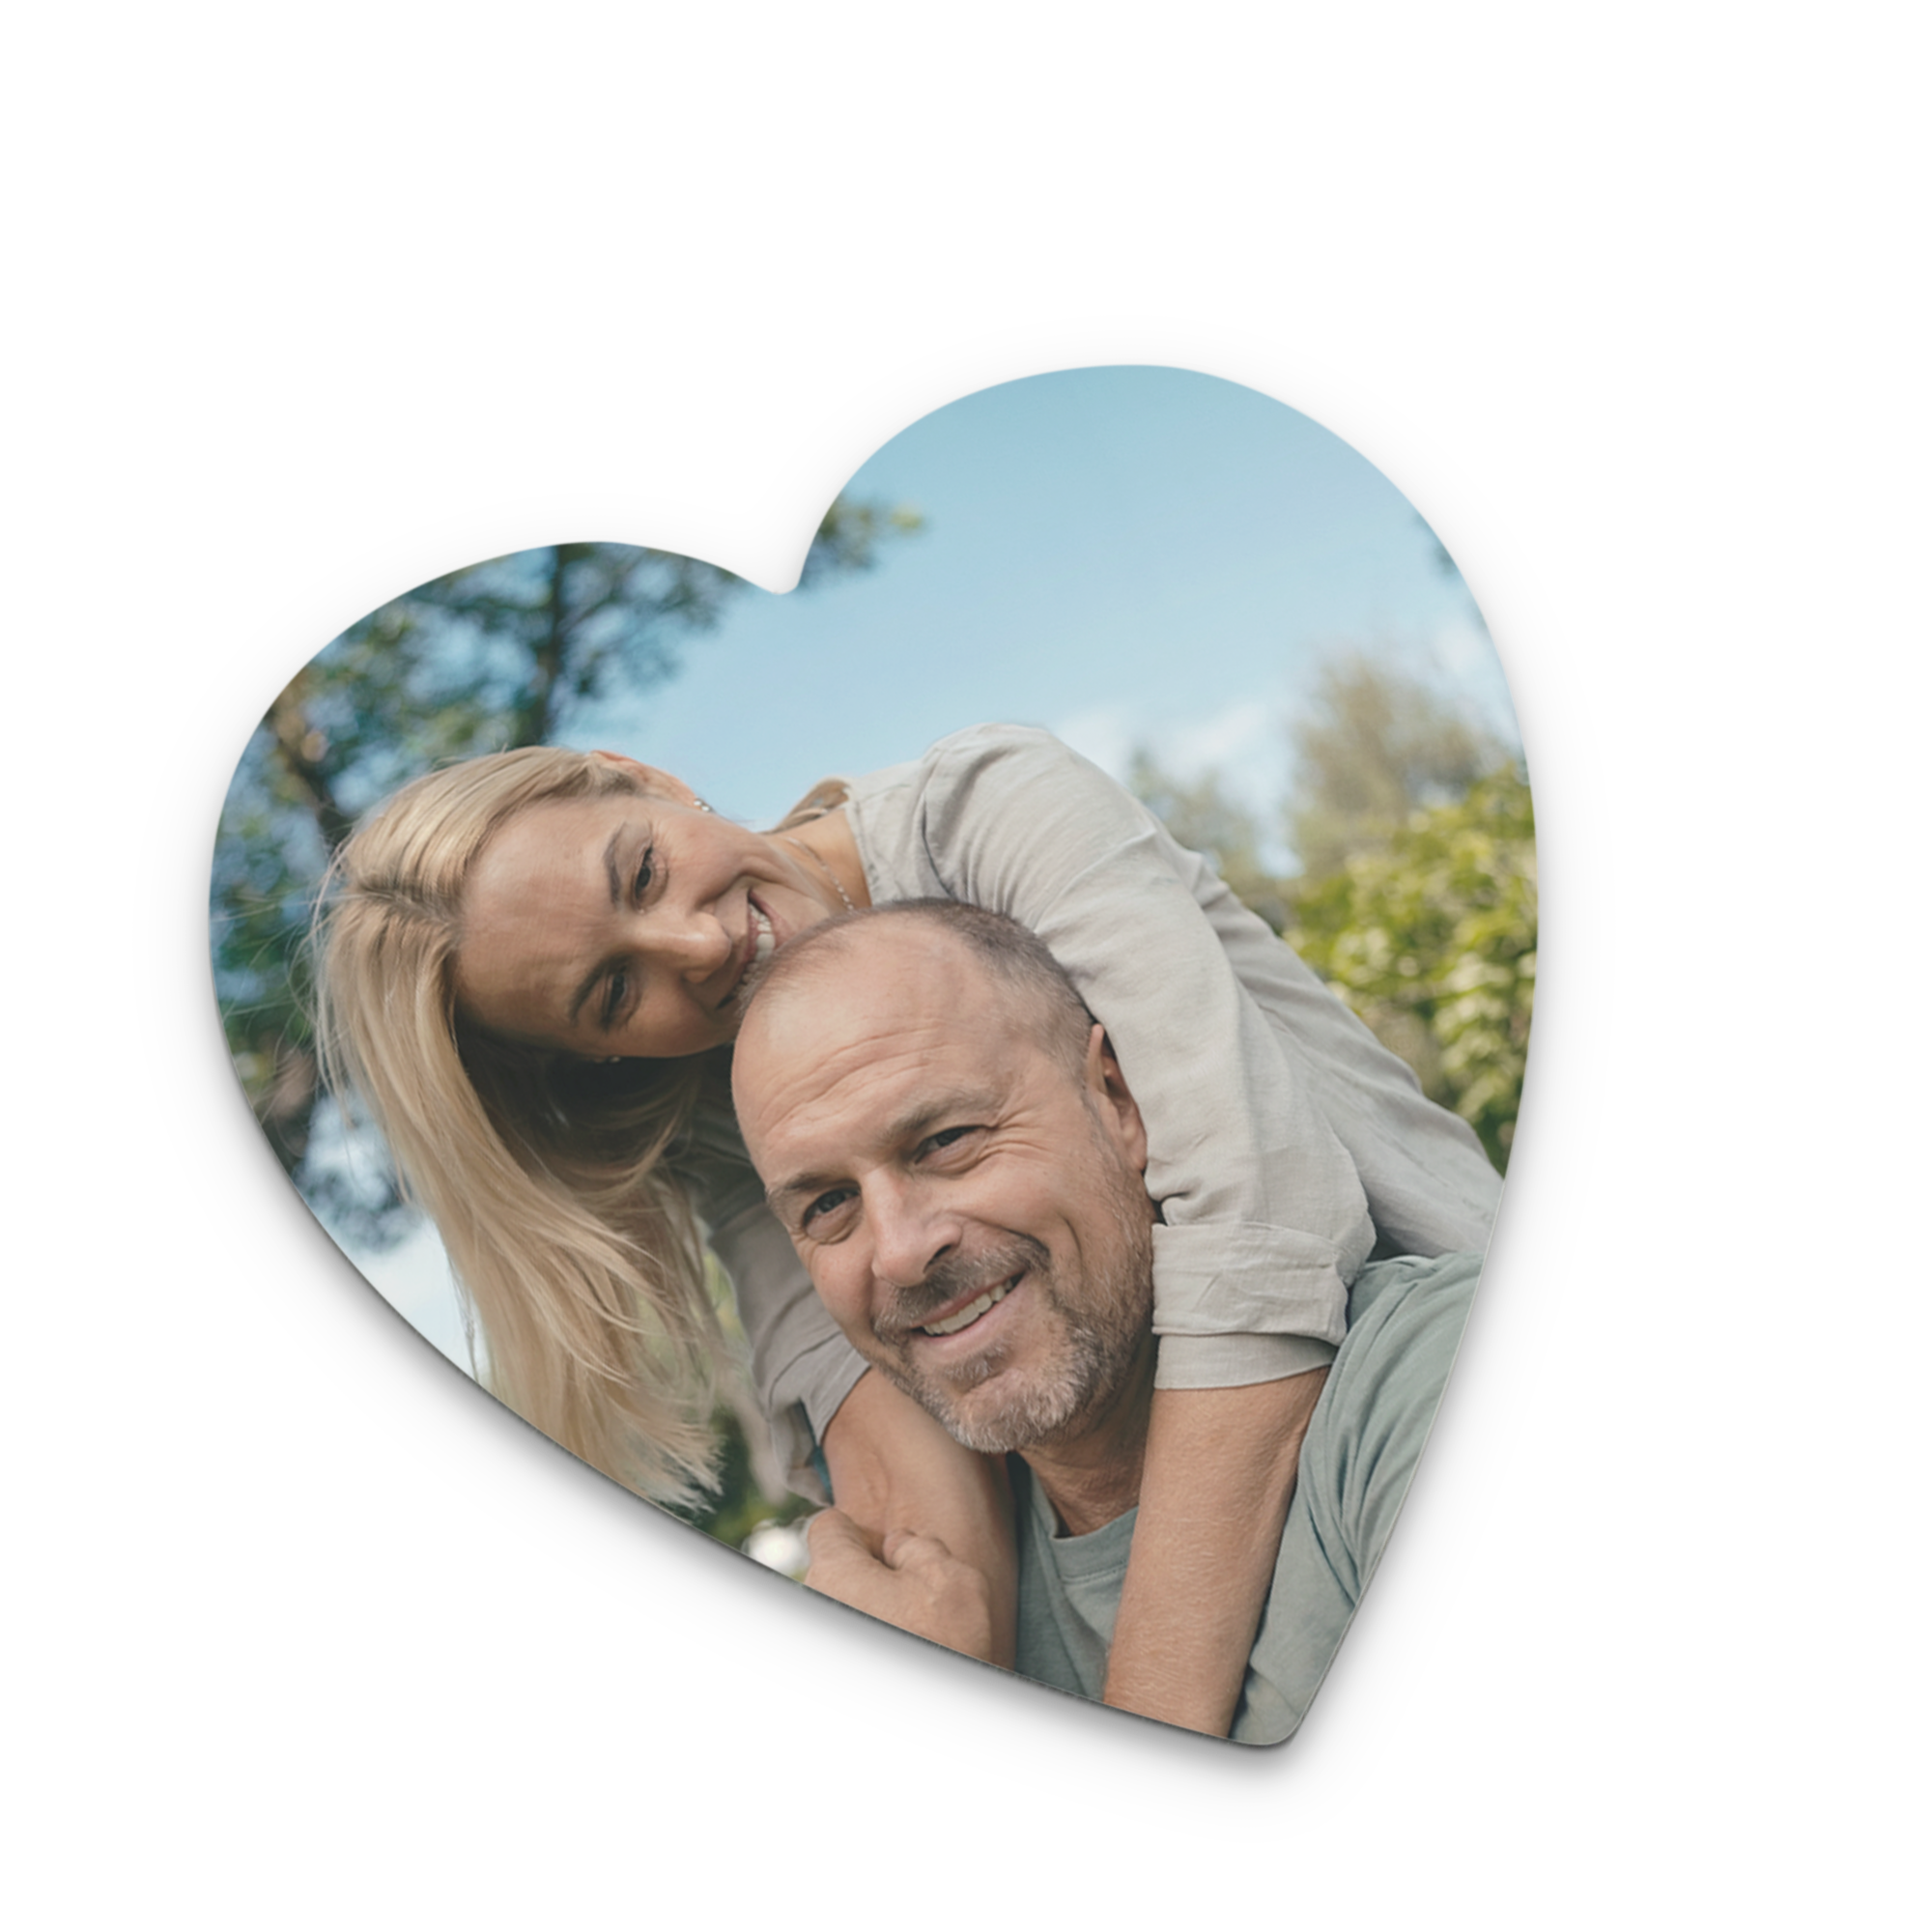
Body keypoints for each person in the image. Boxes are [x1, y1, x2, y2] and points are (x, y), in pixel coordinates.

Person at [313, 721, 1501, 1734]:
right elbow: (902, 1484)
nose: (696, 944)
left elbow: (1254, 1217)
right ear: (599, 1053)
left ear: (647, 777)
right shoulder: (726, 1107)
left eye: (640, 870)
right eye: (613, 991)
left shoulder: (989, 810)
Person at [730, 898, 1482, 1743]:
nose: (898, 1252)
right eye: (829, 1203)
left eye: (945, 1140)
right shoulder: (919, 1596)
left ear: (1117, 1100)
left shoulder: (1420, 1378)